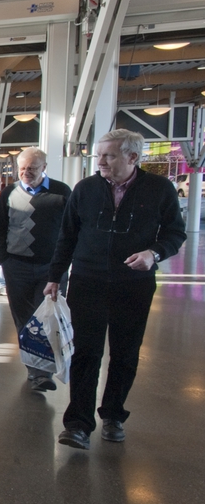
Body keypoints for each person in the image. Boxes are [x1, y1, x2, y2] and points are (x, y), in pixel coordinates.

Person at [43, 129, 185, 450]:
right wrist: (55, 276)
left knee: (125, 353)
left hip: (133, 285)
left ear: (132, 157)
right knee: (86, 352)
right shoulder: (85, 189)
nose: (101, 161)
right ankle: (78, 424)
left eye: (109, 155)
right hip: (87, 282)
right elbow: (67, 236)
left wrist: (154, 253)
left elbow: (175, 233)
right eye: (99, 155)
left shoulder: (159, 189)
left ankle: (113, 414)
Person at [0, 147, 72, 393]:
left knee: (47, 318)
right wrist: (4, 259)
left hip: (51, 268)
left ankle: (43, 371)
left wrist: (64, 263)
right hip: (17, 266)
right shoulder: (9, 193)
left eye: (32, 168)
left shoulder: (61, 192)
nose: (26, 173)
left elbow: (71, 229)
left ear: (44, 167)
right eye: (22, 168)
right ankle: (35, 371)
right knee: (24, 320)